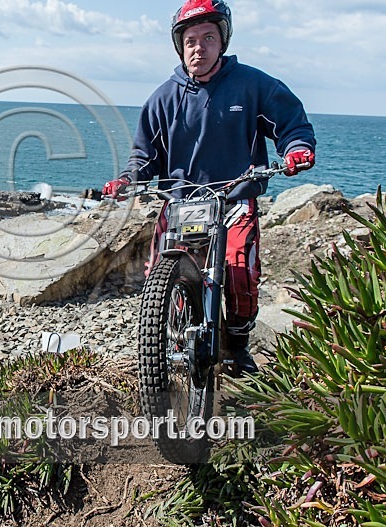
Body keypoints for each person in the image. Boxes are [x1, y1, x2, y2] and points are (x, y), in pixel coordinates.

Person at [102, 0, 316, 374]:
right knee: (160, 275)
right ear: (180, 47)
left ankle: (237, 345)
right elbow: (144, 156)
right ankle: (171, 342)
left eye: (208, 38)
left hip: (233, 198)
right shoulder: (162, 98)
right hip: (181, 201)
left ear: (223, 42)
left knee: (238, 271)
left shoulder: (253, 85)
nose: (198, 47)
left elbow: (291, 124)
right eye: (190, 41)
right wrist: (127, 180)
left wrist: (297, 150)